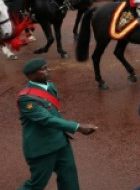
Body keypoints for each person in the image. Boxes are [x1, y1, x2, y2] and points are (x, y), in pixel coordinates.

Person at [17, 58, 98, 190]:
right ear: (31, 75)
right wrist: (77, 127)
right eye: (43, 69)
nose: (48, 70)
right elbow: (46, 119)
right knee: (37, 184)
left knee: (69, 179)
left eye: (47, 67)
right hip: (42, 148)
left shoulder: (50, 86)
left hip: (61, 143)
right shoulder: (26, 99)